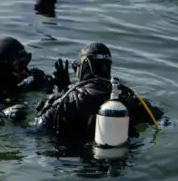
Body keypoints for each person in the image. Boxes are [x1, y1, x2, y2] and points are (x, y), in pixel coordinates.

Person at [34, 42, 162, 145]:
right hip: (121, 166)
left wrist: (54, 95)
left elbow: (37, 131)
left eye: (76, 67)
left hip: (73, 162)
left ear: (85, 66)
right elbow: (162, 120)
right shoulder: (126, 98)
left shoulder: (67, 101)